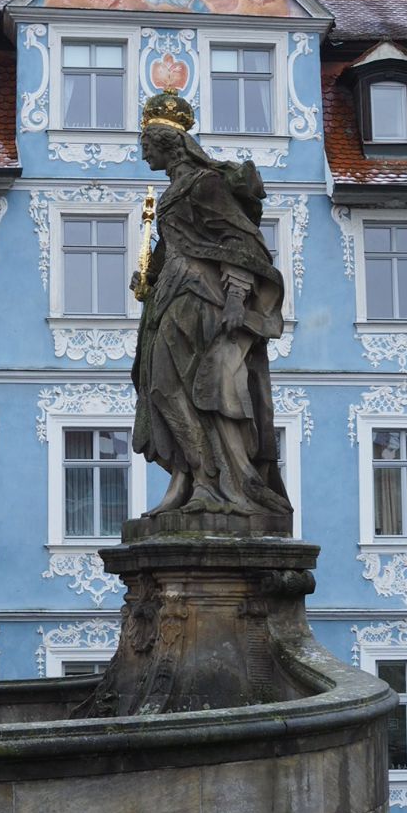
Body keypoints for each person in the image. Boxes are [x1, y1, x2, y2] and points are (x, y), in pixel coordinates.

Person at [132, 91, 292, 524]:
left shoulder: (205, 184)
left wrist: (238, 298)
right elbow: (174, 246)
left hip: (201, 299)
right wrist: (148, 278)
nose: (141, 150)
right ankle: (188, 478)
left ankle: (214, 483)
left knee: (204, 392)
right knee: (162, 389)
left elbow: (241, 242)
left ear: (166, 142)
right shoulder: (173, 192)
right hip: (169, 297)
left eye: (145, 143)